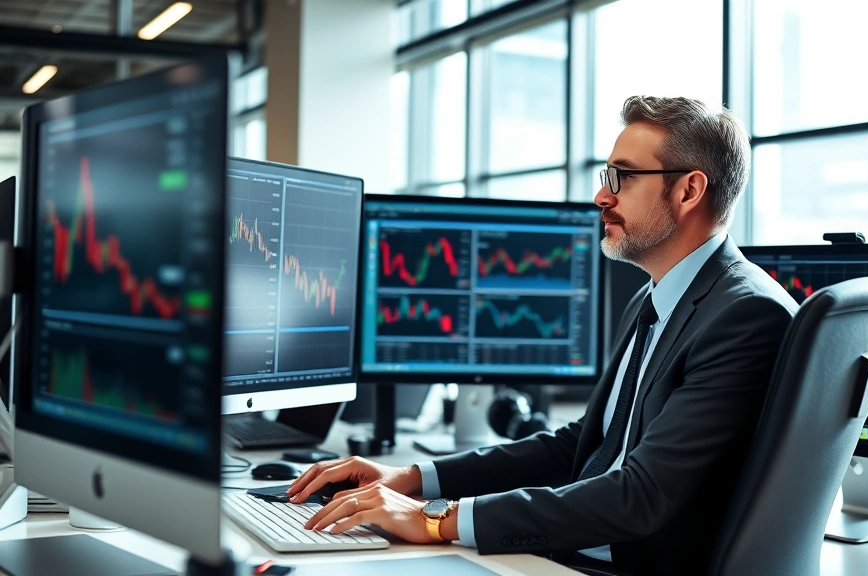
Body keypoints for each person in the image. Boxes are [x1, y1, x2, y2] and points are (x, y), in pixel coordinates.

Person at [287, 95, 798, 575]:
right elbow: (580, 447)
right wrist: (416, 480)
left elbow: (639, 495)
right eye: (607, 176)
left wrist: (436, 519)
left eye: (622, 177)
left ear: (689, 189)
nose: (601, 195)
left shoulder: (743, 314)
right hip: (583, 547)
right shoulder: (654, 300)